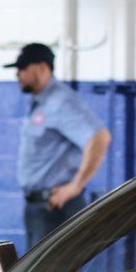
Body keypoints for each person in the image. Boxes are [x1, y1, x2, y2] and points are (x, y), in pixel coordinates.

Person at [8, 43, 111, 250]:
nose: (18, 75)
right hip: (40, 208)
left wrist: (76, 186)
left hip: (56, 208)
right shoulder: (41, 103)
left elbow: (100, 137)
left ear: (42, 68)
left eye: (23, 68)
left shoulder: (60, 101)